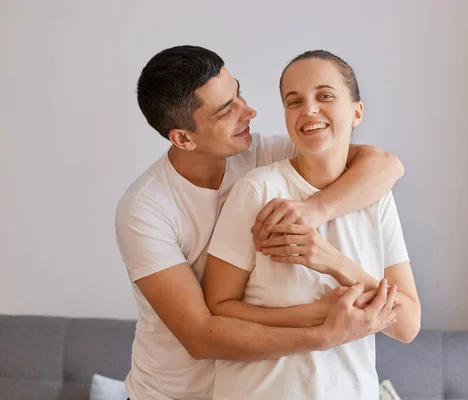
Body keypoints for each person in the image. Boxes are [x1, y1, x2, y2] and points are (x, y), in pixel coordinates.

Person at [115, 45, 406, 400]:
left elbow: (385, 165)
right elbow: (202, 335)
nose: (249, 112)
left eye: (239, 94)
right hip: (171, 394)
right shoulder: (145, 209)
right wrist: (323, 331)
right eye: (226, 112)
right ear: (183, 138)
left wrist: (315, 211)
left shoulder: (262, 154)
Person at [203, 50, 421, 400]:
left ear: (357, 112)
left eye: (325, 96)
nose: (309, 110)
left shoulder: (377, 198)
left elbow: (408, 325)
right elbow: (218, 309)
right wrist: (315, 317)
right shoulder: (258, 191)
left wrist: (333, 261)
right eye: (294, 101)